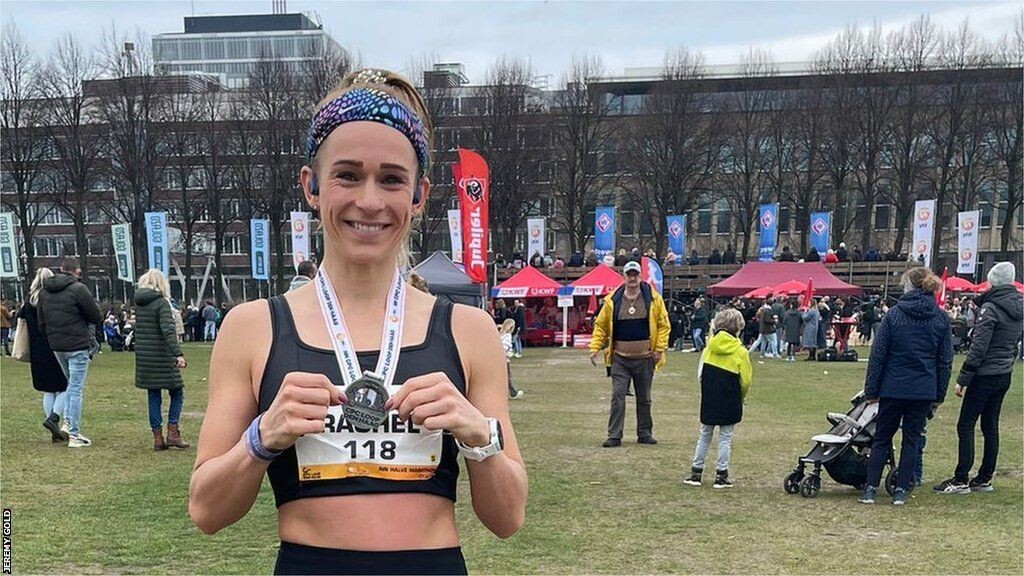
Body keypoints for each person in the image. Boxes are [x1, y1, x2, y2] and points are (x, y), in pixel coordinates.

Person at [188, 68, 525, 574]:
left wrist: (479, 435)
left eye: (391, 179)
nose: (369, 201)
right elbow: (207, 511)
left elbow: (508, 518)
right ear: (311, 185)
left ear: (419, 195)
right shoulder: (252, 328)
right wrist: (261, 437)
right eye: (347, 175)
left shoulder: (468, 330)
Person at [859, 267, 951, 506]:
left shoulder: (895, 315)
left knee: (882, 437)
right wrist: (939, 394)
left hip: (893, 385)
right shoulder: (940, 317)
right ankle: (900, 489)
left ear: (908, 286)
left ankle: (870, 488)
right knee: (911, 439)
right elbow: (944, 361)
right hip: (923, 388)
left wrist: (871, 390)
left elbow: (878, 355)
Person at [934, 262, 1023, 495]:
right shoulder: (1017, 307)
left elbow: (979, 347)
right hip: (1004, 372)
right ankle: (984, 476)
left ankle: (961, 478)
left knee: (966, 424)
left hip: (985, 374)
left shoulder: (990, 308)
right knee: (990, 425)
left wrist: (963, 378)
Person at [589, 260, 671, 447]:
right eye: (629, 274)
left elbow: (663, 325)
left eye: (635, 274)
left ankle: (645, 433)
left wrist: (659, 349)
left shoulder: (654, 299)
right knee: (617, 397)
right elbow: (601, 326)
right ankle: (614, 435)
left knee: (645, 399)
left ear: (640, 276)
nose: (632, 278)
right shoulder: (612, 301)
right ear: (623, 276)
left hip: (645, 358)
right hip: (620, 359)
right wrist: (594, 348)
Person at [683, 308, 752, 489]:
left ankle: (696, 472)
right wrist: (742, 396)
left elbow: (700, 374)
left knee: (704, 435)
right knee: (725, 438)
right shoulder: (741, 351)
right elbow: (746, 381)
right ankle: (721, 475)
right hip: (731, 397)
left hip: (710, 396)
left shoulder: (709, 348)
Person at [38, 257, 101, 448]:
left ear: (61, 269)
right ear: (77, 271)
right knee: (75, 389)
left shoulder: (44, 291)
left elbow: (41, 321)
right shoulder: (78, 289)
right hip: (77, 344)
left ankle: (66, 423)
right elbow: (95, 315)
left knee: (70, 385)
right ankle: (73, 432)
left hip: (57, 345)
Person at [134, 269, 190, 451]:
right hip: (163, 356)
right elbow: (168, 331)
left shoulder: (139, 304)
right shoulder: (161, 303)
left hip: (145, 357)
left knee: (153, 395)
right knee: (177, 393)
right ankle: (173, 432)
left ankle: (157, 437)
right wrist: (178, 353)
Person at [22, 268, 70, 442]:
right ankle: (54, 418)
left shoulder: (28, 303)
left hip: (36, 350)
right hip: (54, 346)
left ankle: (52, 426)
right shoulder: (51, 300)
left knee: (48, 390)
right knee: (65, 385)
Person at [498, 319, 525, 399]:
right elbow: (504, 348)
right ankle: (513, 393)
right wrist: (508, 354)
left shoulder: (500, 334)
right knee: (507, 378)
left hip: (498, 359)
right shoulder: (507, 336)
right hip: (504, 360)